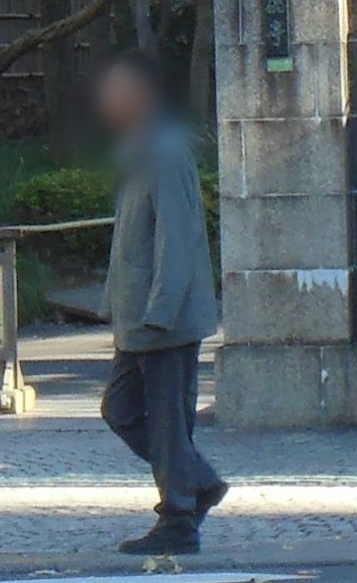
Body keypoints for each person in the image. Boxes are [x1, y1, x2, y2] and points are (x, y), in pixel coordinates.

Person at [95, 49, 225, 556]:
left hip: (161, 317)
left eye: (117, 88)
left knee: (168, 422)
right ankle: (198, 484)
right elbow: (130, 238)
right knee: (120, 408)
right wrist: (115, 304)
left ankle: (179, 517)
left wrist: (162, 309)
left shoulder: (166, 150)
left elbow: (179, 236)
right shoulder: (138, 149)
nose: (108, 99)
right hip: (138, 317)